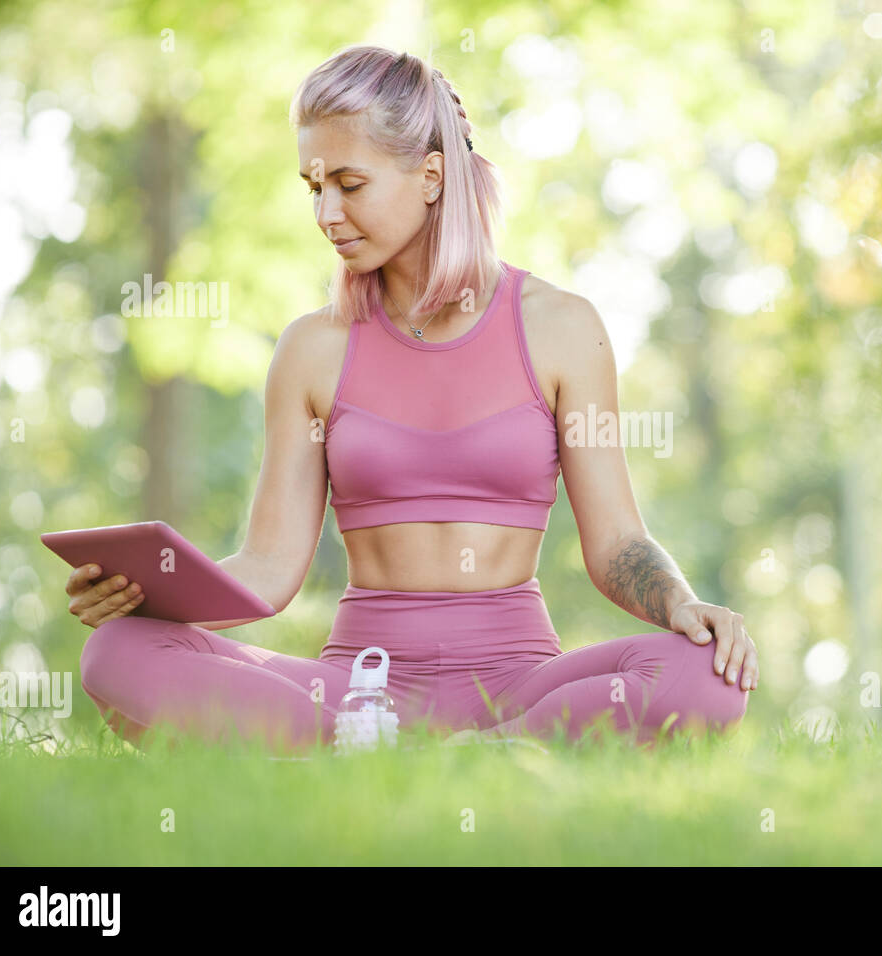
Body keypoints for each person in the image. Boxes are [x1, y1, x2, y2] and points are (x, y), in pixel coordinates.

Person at [71, 45, 758, 755]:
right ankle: (453, 754)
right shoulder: (313, 348)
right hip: (355, 691)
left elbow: (615, 542)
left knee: (704, 672)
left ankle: (456, 753)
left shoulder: (562, 327)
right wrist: (149, 599)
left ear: (430, 176)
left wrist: (682, 602)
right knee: (121, 652)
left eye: (349, 183)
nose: (325, 212)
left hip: (519, 684)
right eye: (313, 186)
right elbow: (270, 568)